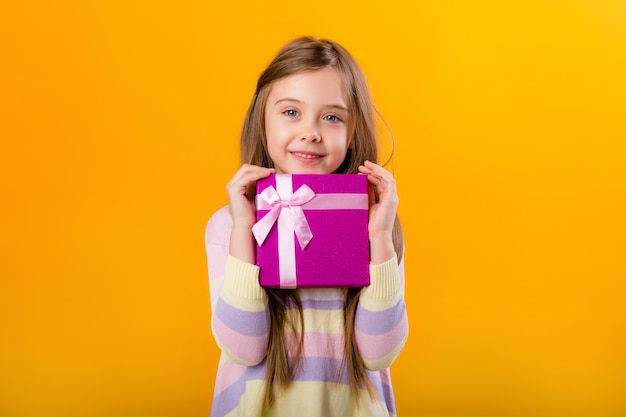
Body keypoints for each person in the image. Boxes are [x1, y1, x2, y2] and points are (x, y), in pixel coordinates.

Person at [205, 36, 408, 417]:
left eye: (332, 117)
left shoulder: (376, 223)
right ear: (262, 120)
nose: (311, 131)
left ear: (351, 134)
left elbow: (379, 354)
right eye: (291, 112)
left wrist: (380, 239)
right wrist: (242, 232)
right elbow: (244, 348)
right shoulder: (228, 225)